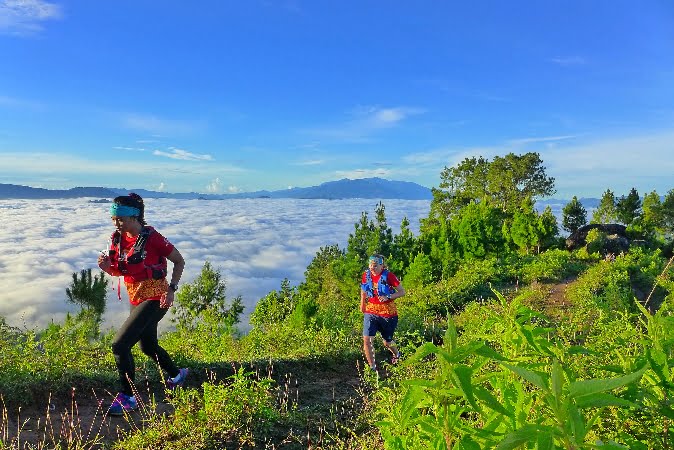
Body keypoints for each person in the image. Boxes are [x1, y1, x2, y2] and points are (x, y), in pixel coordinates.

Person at [98, 193, 188, 415]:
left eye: (120, 219)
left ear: (134, 216)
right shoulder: (119, 239)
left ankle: (128, 398)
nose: (116, 223)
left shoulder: (153, 237)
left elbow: (179, 260)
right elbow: (124, 270)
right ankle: (177, 375)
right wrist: (107, 268)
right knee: (147, 346)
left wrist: (172, 289)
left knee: (120, 345)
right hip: (136, 297)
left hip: (157, 296)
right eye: (114, 218)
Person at [360, 254, 405, 372]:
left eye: (375, 266)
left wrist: (388, 296)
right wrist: (362, 304)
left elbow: (402, 292)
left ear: (382, 266)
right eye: (370, 265)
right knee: (367, 339)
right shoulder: (366, 275)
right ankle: (372, 367)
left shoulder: (389, 276)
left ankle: (397, 354)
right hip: (371, 311)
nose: (372, 268)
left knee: (387, 342)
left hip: (388, 313)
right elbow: (364, 290)